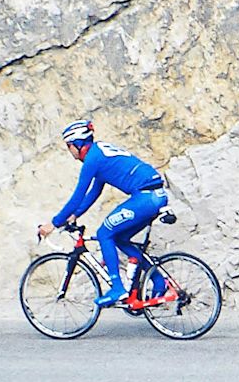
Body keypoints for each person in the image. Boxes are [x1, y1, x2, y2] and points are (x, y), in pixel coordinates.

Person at [39, 118, 175, 308]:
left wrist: (53, 224)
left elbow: (78, 195)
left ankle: (118, 288)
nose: (69, 151)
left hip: (145, 197)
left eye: (69, 146)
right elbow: (95, 191)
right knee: (119, 238)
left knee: (104, 233)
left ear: (78, 144)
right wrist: (75, 215)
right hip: (154, 195)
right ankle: (159, 283)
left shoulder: (92, 161)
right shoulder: (100, 151)